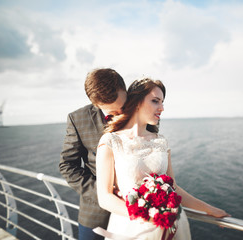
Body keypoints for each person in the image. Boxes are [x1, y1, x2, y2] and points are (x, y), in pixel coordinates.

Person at [95, 78, 230, 239]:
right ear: (137, 102)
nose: (162, 108)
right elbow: (104, 198)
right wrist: (147, 216)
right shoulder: (110, 141)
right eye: (155, 101)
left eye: (162, 102)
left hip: (172, 227)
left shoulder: (161, 141)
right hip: (131, 229)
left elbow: (174, 188)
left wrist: (211, 210)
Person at [59, 68, 127, 240]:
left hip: (137, 218)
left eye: (122, 107)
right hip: (96, 216)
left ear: (125, 90)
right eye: (112, 112)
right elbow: (68, 166)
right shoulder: (78, 119)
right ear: (96, 103)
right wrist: (104, 192)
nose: (120, 114)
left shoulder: (141, 109)